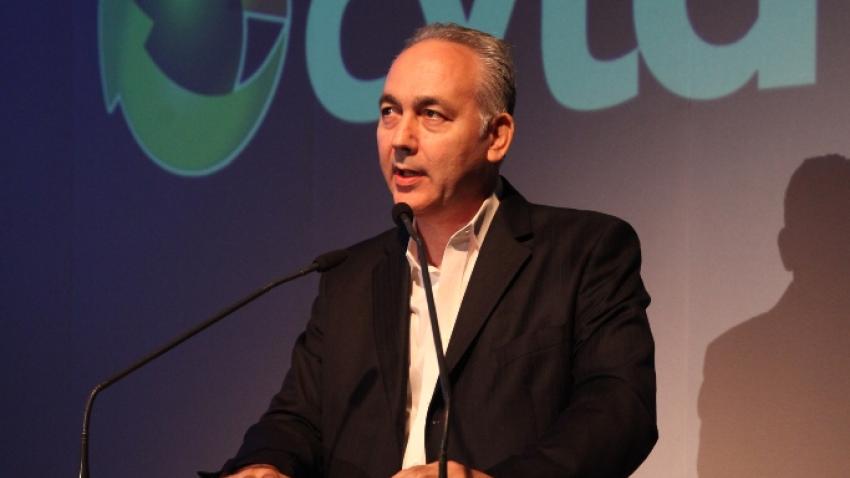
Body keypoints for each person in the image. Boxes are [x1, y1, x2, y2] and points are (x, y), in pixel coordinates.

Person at [208, 23, 657, 478]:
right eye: (389, 112)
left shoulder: (583, 252)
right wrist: (263, 464)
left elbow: (619, 409)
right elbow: (297, 419)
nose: (400, 139)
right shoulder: (348, 278)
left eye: (431, 114)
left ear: (497, 136)